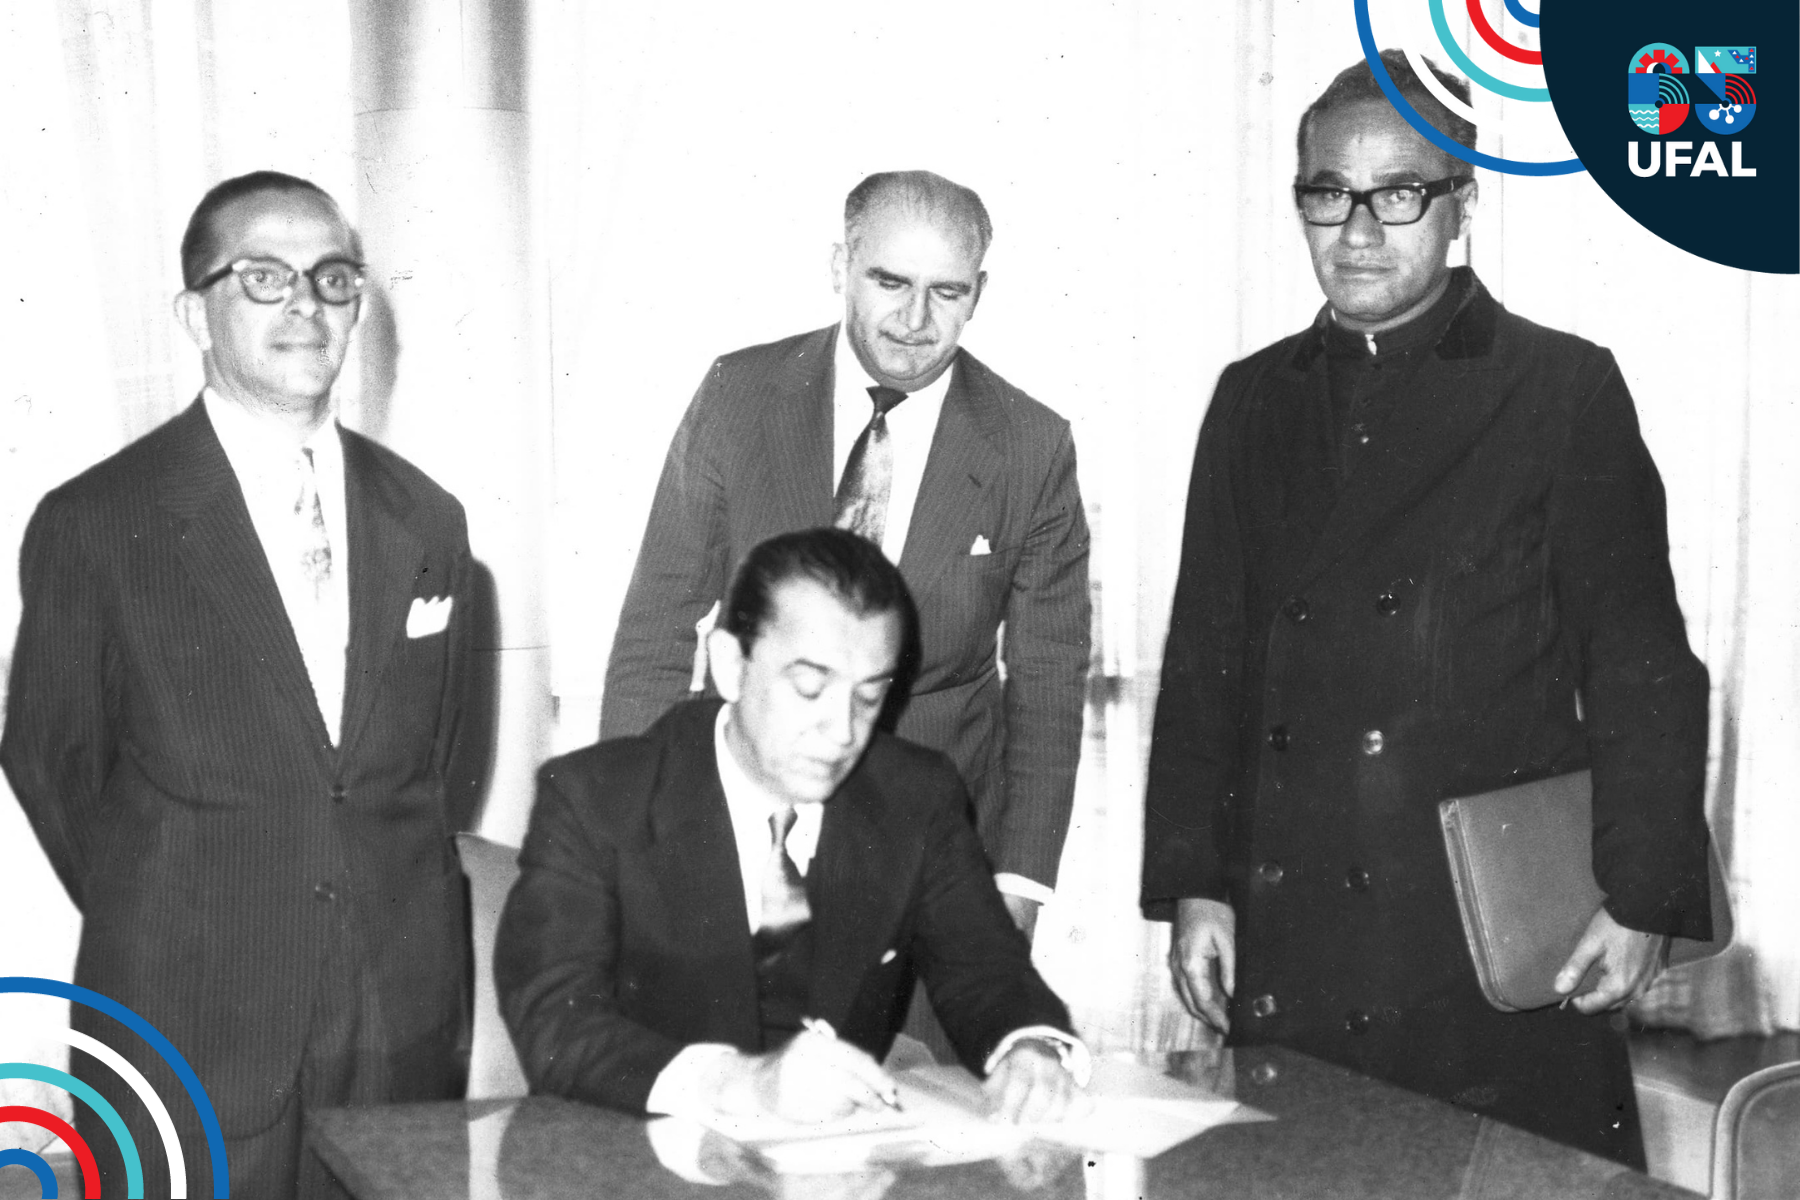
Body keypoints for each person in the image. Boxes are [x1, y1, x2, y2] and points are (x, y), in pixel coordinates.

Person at [1139, 53, 1712, 1168]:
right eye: (1328, 194)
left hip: (1477, 941)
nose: (1358, 231)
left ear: (1462, 205)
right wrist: (1196, 885)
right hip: (1296, 925)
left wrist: (1644, 897)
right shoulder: (1250, 399)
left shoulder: (1561, 387)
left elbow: (1641, 661)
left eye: (1399, 194)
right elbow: (1204, 665)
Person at [2, 171, 475, 1198]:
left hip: (394, 1024)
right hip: (189, 1024)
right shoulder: (98, 523)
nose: (306, 303)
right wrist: (191, 899)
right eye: (264, 277)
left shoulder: (428, 519)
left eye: (332, 278)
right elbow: (52, 759)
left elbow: (427, 762)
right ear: (194, 315)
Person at [601, 170, 1090, 942]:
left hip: (934, 855)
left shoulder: (1031, 444)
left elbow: (1049, 681)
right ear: (841, 266)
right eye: (890, 282)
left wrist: (1017, 886)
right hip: (742, 832)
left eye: (947, 291)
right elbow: (657, 627)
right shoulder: (738, 394)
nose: (915, 320)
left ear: (980, 293)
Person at [499, 528, 1084, 1125]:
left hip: (837, 1156)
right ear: (731, 665)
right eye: (809, 687)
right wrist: (743, 1084)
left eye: (868, 698)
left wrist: (1027, 1045)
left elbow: (984, 965)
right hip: (641, 1149)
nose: (842, 732)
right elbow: (554, 1023)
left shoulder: (916, 795)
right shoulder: (595, 799)